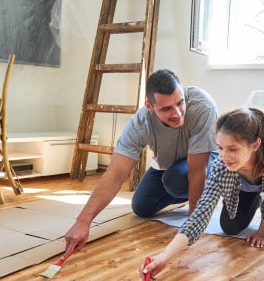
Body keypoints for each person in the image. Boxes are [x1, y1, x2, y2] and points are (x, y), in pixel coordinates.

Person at [141, 107, 264, 281]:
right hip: (247, 183)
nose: (224, 156)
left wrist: (262, 230)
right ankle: (255, 198)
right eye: (220, 148)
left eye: (232, 149)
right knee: (230, 226)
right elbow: (200, 214)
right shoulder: (222, 165)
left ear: (255, 145)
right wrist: (164, 256)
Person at [64, 69, 219, 255]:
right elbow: (115, 174)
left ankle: (208, 192)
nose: (177, 113)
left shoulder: (203, 106)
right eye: (166, 109)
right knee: (142, 207)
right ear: (149, 106)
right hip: (167, 165)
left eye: (180, 103)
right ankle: (192, 193)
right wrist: (83, 222)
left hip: (203, 163)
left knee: (177, 178)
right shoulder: (140, 124)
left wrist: (194, 225)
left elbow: (197, 170)